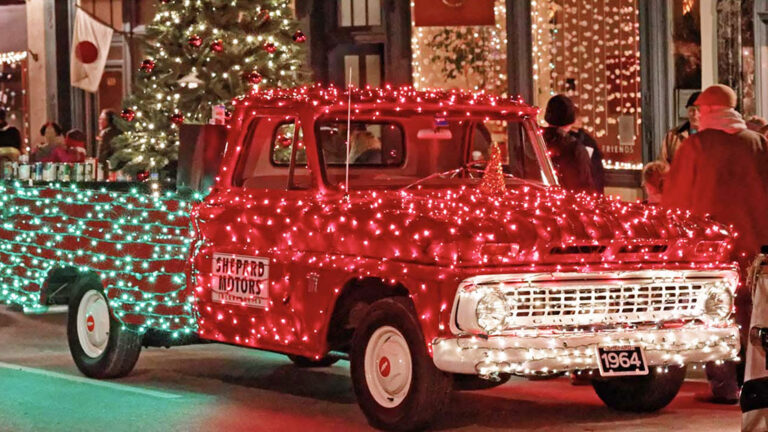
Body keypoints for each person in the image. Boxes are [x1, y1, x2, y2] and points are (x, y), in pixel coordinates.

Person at [662, 84, 768, 403]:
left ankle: (723, 385)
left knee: (714, 311)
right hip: (753, 242)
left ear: (707, 110)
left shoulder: (697, 147)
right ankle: (753, 381)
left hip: (710, 247)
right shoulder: (756, 142)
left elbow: (676, 201)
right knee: (751, 312)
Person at [542, 95, 595, 193]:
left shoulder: (536, 141)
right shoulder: (574, 147)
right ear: (571, 120)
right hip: (567, 204)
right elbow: (585, 186)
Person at [660, 91, 701, 165]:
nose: (695, 114)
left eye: (699, 110)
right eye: (692, 110)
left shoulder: (714, 139)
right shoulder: (672, 136)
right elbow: (662, 163)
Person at [571, 113, 605, 193]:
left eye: (580, 117)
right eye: (576, 117)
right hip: (579, 184)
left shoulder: (587, 139)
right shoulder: (568, 140)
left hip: (593, 181)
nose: (579, 120)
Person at [97, 109, 120, 173]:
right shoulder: (119, 132)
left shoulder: (106, 134)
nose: (99, 121)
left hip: (109, 170)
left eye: (101, 119)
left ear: (108, 121)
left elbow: (103, 155)